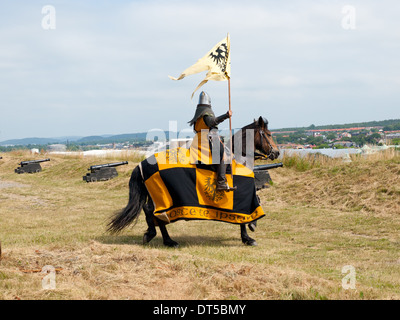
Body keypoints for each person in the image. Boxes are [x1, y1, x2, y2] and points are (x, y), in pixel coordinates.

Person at [188, 91, 236, 191]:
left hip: (198, 140)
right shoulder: (206, 113)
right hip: (207, 141)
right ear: (209, 103)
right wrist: (226, 115)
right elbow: (212, 122)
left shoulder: (198, 116)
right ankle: (221, 182)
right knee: (225, 155)